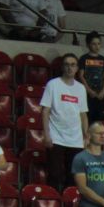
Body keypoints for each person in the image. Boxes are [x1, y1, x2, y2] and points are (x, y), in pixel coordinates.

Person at [40, 54, 88, 193]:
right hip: (56, 136)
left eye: (73, 65)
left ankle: (68, 204)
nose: (69, 68)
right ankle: (52, 202)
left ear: (77, 68)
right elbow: (45, 111)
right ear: (62, 67)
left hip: (75, 139)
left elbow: (83, 114)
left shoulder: (81, 88)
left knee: (72, 177)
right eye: (67, 64)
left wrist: (86, 136)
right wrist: (46, 134)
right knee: (54, 174)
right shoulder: (53, 84)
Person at [78, 32, 104, 124]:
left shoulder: (103, 59)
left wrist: (103, 91)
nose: (97, 46)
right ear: (88, 45)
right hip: (87, 94)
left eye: (99, 44)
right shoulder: (83, 58)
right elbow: (81, 76)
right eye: (94, 44)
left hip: (100, 94)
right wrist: (89, 90)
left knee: (98, 119)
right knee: (88, 117)